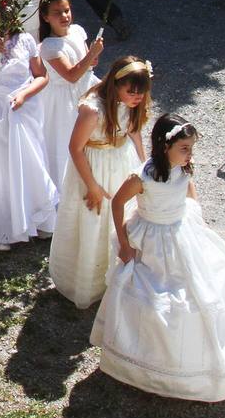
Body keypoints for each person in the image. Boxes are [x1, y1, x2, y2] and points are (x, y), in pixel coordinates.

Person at [92, 114, 225, 401]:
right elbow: (117, 203)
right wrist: (124, 244)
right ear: (165, 147)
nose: (190, 154)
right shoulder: (143, 177)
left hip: (181, 231)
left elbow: (187, 187)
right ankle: (145, 359)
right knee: (154, 297)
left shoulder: (184, 167)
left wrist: (193, 210)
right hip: (153, 239)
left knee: (207, 285)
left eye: (191, 148)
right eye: (184, 148)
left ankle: (200, 357)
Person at [48, 55, 151, 309]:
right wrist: (92, 186)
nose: (137, 97)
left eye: (141, 93)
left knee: (121, 217)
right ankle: (88, 282)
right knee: (94, 218)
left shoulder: (132, 104)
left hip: (120, 163)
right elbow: (75, 148)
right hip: (93, 169)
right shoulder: (93, 110)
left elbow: (134, 133)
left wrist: (144, 167)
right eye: (131, 92)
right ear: (116, 84)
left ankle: (117, 276)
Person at [0, 0, 57, 252]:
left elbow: (42, 76)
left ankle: (37, 217)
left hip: (24, 106)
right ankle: (3, 227)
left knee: (31, 161)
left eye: (1, 23)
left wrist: (24, 94)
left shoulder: (25, 40)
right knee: (0, 168)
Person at [35, 0, 104, 186]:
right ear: (46, 17)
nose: (64, 16)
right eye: (57, 13)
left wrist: (92, 56)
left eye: (66, 10)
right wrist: (91, 54)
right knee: (66, 144)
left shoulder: (78, 31)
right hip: (65, 101)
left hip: (87, 89)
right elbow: (71, 75)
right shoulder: (48, 46)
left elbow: (86, 65)